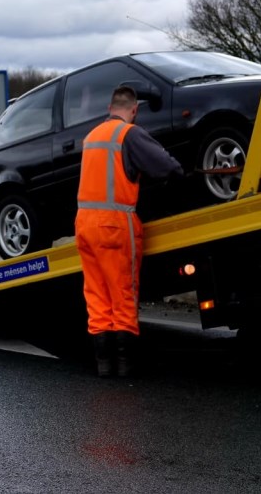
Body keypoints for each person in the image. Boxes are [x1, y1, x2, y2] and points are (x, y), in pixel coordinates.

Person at [75, 85, 183, 378]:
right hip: (114, 225)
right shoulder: (129, 134)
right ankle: (124, 366)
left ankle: (104, 366)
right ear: (134, 110)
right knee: (123, 291)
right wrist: (180, 172)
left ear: (110, 108)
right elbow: (165, 167)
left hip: (84, 223)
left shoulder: (91, 137)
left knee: (96, 293)